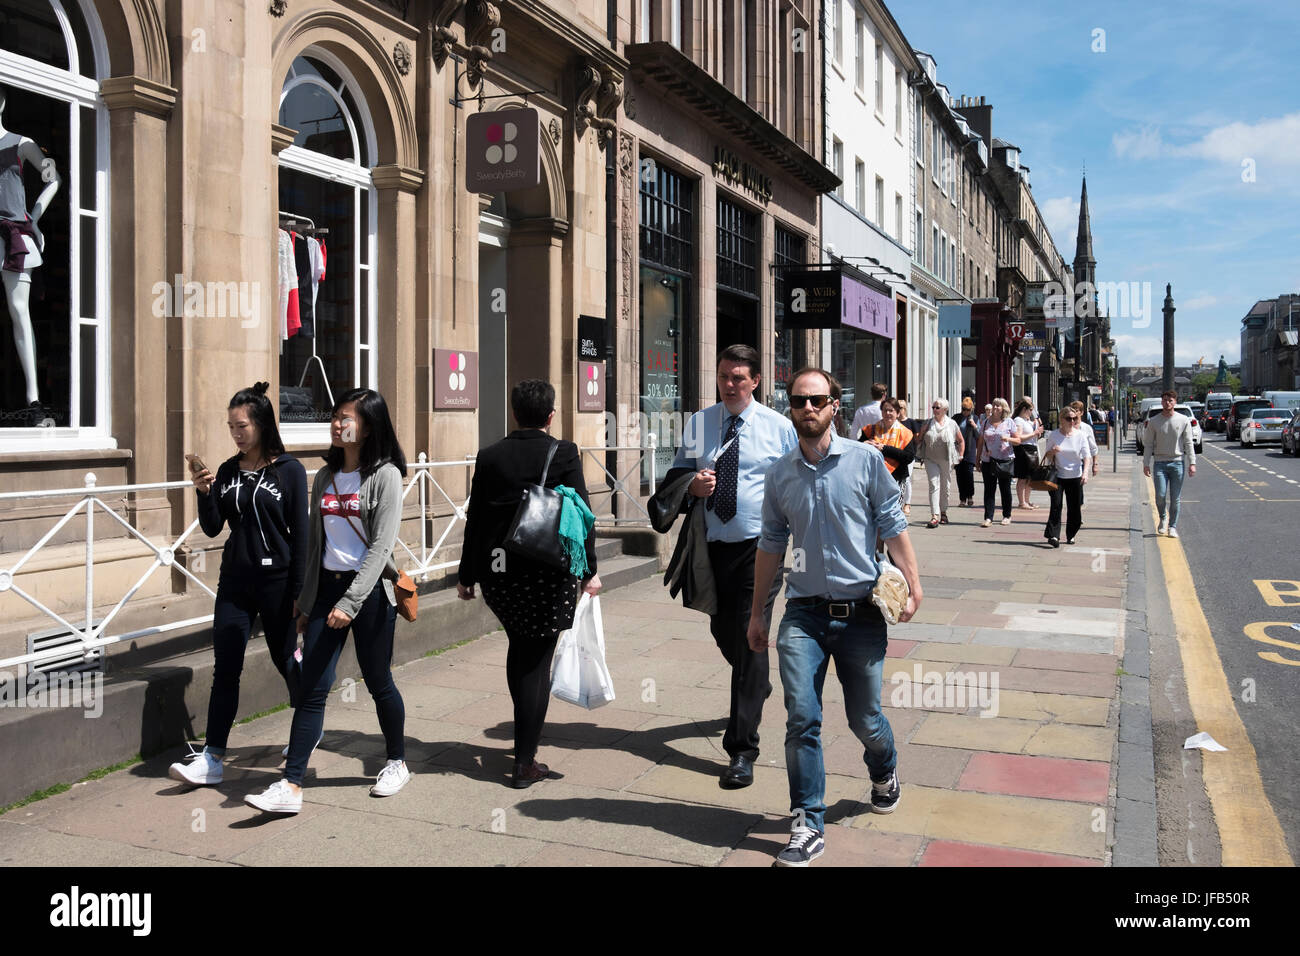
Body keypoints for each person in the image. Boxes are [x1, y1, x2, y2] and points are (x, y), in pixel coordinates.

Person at [747, 366, 922, 867]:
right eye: (798, 401)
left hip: (862, 611)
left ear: (834, 407)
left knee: (864, 717)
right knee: (801, 716)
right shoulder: (780, 474)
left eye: (816, 400)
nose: (807, 408)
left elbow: (893, 524)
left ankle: (884, 767)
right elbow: (770, 546)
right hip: (803, 613)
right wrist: (760, 613)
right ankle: (807, 821)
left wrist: (915, 584)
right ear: (790, 407)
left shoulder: (867, 461)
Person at [245, 388, 411, 813]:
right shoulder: (324, 476)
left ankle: (396, 761)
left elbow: (380, 548)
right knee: (312, 688)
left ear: (368, 425)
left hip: (369, 593)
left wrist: (351, 602)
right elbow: (315, 544)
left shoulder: (386, 475)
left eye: (346, 418)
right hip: (327, 593)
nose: (337, 424)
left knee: (378, 681)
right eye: (335, 417)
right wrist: (306, 602)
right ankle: (291, 785)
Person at [663, 344, 797, 789]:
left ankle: (742, 749)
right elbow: (676, 478)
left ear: (756, 381)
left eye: (739, 378)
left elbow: (798, 483)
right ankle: (755, 684)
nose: (730, 385)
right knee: (725, 631)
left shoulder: (779, 429)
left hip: (760, 548)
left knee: (748, 635)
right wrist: (692, 486)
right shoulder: (700, 423)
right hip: (711, 545)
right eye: (724, 377)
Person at [457, 380, 601, 788]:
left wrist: (466, 575)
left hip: (500, 574)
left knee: (520, 648)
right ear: (551, 415)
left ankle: (525, 748)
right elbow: (582, 517)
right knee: (537, 662)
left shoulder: (490, 456)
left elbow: (477, 521)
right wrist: (589, 571)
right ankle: (524, 762)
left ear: (514, 412)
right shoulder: (564, 452)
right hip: (548, 571)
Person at [169, 383, 308, 787]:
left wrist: (300, 593)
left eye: (242, 425)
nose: (236, 433)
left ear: (262, 424)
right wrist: (204, 492)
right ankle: (213, 758)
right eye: (231, 426)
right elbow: (213, 528)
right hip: (235, 581)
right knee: (225, 668)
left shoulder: (290, 471)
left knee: (287, 661)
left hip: (278, 583)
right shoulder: (228, 470)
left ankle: (305, 727)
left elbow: (300, 535)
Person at [1143, 390, 1196, 538]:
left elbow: (1188, 443)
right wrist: (1146, 463)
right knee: (1160, 495)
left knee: (1175, 498)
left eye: (1170, 400)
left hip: (1177, 462)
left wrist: (1192, 463)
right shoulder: (1154, 421)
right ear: (1161, 402)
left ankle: (1173, 526)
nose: (1167, 403)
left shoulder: (1184, 420)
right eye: (1165, 400)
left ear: (1175, 402)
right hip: (1159, 463)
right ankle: (1163, 518)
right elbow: (1148, 444)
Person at [1041, 406, 1092, 547]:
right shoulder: (1054, 435)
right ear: (1061, 419)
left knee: (1074, 508)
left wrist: (1086, 472)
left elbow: (1087, 456)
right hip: (1058, 475)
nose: (1072, 421)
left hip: (1075, 475)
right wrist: (1052, 451)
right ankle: (1054, 536)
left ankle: (1071, 534)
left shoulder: (1080, 435)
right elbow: (1047, 456)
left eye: (1074, 418)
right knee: (1056, 505)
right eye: (1069, 418)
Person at [915, 397, 964, 528]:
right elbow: (919, 441)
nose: (935, 410)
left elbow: (961, 440)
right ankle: (934, 516)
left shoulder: (952, 423)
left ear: (945, 409)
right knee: (933, 485)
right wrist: (922, 432)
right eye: (933, 407)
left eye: (937, 407)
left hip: (946, 460)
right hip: (930, 459)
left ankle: (943, 511)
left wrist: (961, 455)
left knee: (945, 487)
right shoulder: (928, 423)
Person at [975, 398, 1024, 528]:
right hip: (988, 460)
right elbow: (980, 442)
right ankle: (988, 517)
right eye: (994, 405)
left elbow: (1018, 440)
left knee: (1005, 489)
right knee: (989, 490)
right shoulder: (985, 422)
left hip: (1005, 460)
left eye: (998, 406)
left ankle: (1007, 515)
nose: (995, 407)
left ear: (1003, 408)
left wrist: (1008, 438)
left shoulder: (1009, 422)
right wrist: (977, 459)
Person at [863, 398, 915, 518]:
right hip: (874, 478)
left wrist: (884, 448)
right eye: (885, 410)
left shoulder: (905, 433)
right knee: (874, 515)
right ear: (881, 412)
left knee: (893, 514)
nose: (888, 413)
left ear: (897, 413)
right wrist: (865, 444)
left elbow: (909, 457)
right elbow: (859, 448)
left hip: (896, 478)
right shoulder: (870, 430)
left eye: (891, 410)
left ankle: (894, 536)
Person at [1012, 399, 1045, 510]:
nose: (1032, 412)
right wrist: (1034, 433)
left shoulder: (1028, 421)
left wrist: (1037, 432)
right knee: (1022, 477)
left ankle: (1027, 500)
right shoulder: (1018, 420)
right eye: (1030, 410)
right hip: (1023, 450)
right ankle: (1022, 502)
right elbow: (1019, 437)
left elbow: (1034, 433)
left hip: (1032, 449)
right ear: (1024, 409)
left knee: (1030, 478)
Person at [1069, 400, 1100, 507]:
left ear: (1081, 412)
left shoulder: (1086, 428)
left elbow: (1093, 448)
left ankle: (1077, 510)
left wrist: (1095, 464)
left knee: (1078, 488)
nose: (1074, 413)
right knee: (1069, 490)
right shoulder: (1066, 427)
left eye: (1076, 411)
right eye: (1072, 410)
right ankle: (1074, 511)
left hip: (1081, 462)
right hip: (1067, 462)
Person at [953, 397, 980, 507]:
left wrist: (974, 426)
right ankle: (962, 499)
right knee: (959, 475)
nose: (965, 412)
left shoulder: (975, 418)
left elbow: (979, 435)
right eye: (963, 409)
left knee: (968, 474)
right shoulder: (956, 418)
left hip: (970, 450)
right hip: (957, 449)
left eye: (967, 410)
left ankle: (970, 496)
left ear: (971, 409)